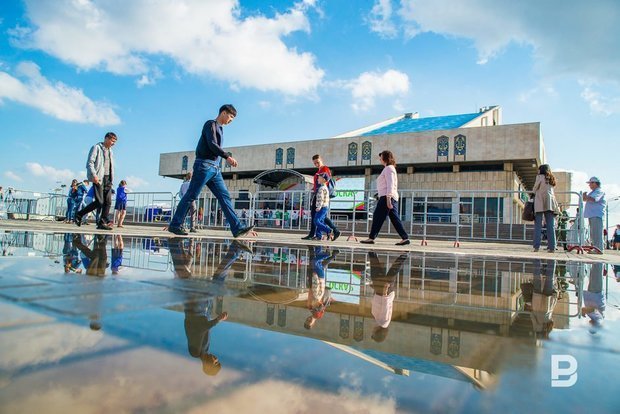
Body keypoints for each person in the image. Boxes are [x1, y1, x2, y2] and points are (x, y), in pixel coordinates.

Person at [168, 105, 255, 238]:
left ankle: (237, 228)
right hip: (204, 165)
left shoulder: (221, 129)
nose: (231, 120)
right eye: (231, 116)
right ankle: (175, 224)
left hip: (215, 169)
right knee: (191, 195)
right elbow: (212, 144)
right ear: (223, 113)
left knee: (224, 197)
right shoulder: (210, 124)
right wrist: (227, 157)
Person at [361, 150, 410, 246]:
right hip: (387, 196)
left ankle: (371, 238)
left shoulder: (388, 168)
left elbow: (390, 184)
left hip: (387, 197)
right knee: (394, 218)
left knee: (377, 216)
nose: (380, 159)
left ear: (385, 158)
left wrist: (388, 198)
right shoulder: (389, 168)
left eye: (381, 157)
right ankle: (405, 238)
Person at [75, 132, 118, 230]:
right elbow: (90, 162)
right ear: (106, 139)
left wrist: (111, 178)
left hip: (108, 178)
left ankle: (102, 222)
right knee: (99, 202)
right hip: (99, 177)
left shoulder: (110, 151)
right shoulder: (96, 148)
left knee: (108, 202)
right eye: (112, 141)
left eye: (114, 142)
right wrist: (94, 175)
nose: (113, 144)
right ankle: (79, 214)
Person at [368, 252, 407, 342]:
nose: (372, 331)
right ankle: (404, 255)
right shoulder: (383, 322)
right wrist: (385, 291)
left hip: (379, 292)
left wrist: (375, 290)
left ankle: (372, 253)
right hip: (383, 293)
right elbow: (385, 307)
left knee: (380, 272)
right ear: (377, 333)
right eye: (373, 334)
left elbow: (377, 305)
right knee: (391, 272)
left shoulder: (380, 322)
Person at [302, 154, 341, 241]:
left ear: (321, 160)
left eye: (317, 162)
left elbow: (325, 181)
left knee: (315, 215)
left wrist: (319, 191)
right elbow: (317, 183)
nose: (316, 164)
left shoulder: (325, 169)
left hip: (320, 195)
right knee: (321, 217)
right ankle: (333, 231)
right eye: (315, 163)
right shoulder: (319, 170)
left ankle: (316, 234)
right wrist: (313, 189)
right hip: (317, 193)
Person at [304, 246, 338, 329]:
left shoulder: (311, 309)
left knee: (318, 265)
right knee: (315, 264)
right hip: (317, 286)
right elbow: (318, 300)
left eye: (306, 320)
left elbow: (310, 295)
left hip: (313, 285)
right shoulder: (317, 314)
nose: (308, 319)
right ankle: (324, 252)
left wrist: (309, 287)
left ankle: (331, 254)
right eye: (309, 321)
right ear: (313, 323)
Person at [532, 164, 558, 252]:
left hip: (540, 201)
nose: (538, 171)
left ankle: (536, 246)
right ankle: (552, 247)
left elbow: (535, 188)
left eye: (539, 169)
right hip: (550, 202)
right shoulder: (551, 178)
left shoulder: (539, 177)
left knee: (538, 225)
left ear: (541, 170)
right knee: (550, 226)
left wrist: (533, 193)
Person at [582, 176, 606, 254]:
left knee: (597, 233)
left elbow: (594, 199)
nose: (589, 185)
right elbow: (586, 199)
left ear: (595, 183)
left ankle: (599, 249)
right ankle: (596, 248)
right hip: (592, 215)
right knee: (593, 233)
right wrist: (585, 197)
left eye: (591, 183)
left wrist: (586, 196)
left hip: (596, 215)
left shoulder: (599, 191)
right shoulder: (593, 192)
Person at [313, 173, 332, 240]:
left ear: (323, 179)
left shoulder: (321, 188)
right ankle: (318, 236)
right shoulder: (325, 187)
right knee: (320, 221)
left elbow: (321, 198)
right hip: (325, 206)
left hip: (322, 207)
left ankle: (328, 230)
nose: (317, 179)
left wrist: (319, 207)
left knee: (316, 221)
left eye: (319, 178)